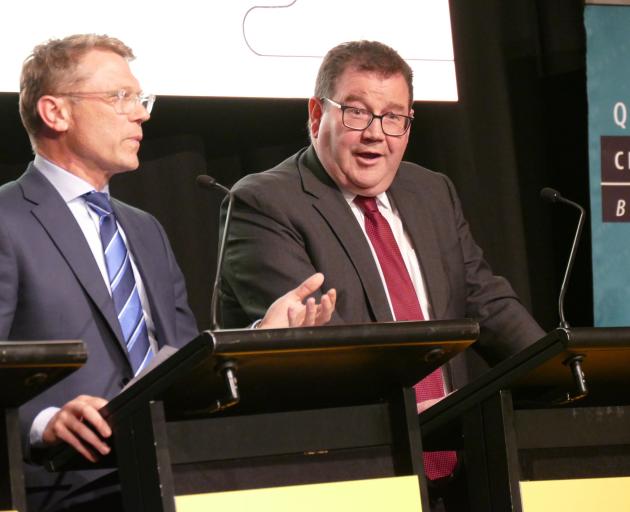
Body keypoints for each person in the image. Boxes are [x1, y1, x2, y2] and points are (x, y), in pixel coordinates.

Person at [0, 34, 335, 512]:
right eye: (120, 98)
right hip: (62, 488)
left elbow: (177, 366)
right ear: (56, 112)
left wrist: (261, 339)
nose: (141, 114)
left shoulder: (144, 229)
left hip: (176, 479)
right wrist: (43, 422)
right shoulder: (6, 219)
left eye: (140, 99)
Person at [220, 40, 545, 509]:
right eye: (357, 113)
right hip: (348, 474)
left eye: (394, 117)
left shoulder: (431, 191)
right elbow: (317, 350)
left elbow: (487, 302)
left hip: (460, 473)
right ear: (316, 115)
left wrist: (556, 375)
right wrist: (411, 416)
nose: (376, 133)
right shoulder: (264, 204)